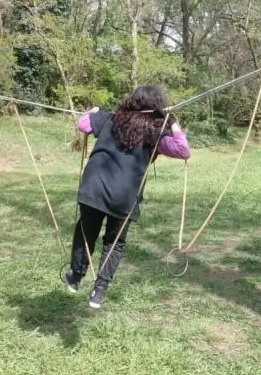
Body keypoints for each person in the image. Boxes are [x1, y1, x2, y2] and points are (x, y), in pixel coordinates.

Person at [62, 86, 191, 309]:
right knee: (114, 243)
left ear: (132, 101)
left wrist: (91, 112)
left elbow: (83, 124)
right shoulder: (156, 131)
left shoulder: (110, 118)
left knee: (85, 232)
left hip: (94, 188)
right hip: (124, 196)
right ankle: (98, 291)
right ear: (157, 107)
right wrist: (172, 122)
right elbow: (183, 150)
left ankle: (75, 275)